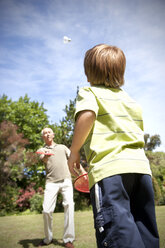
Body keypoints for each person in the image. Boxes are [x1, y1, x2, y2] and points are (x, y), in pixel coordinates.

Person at [68, 44, 159, 248]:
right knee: (145, 231)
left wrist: (74, 151)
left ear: (89, 73)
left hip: (110, 173)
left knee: (118, 235)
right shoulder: (129, 100)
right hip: (141, 172)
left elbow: (88, 115)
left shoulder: (89, 92)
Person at [37, 127, 75, 248]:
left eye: (49, 132)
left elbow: (72, 158)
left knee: (69, 206)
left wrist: (82, 172)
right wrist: (47, 155)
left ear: (53, 135)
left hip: (66, 181)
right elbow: (43, 159)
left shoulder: (62, 147)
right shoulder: (42, 149)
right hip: (51, 183)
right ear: (43, 137)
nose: (47, 134)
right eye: (45, 133)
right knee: (46, 210)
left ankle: (68, 239)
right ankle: (48, 239)